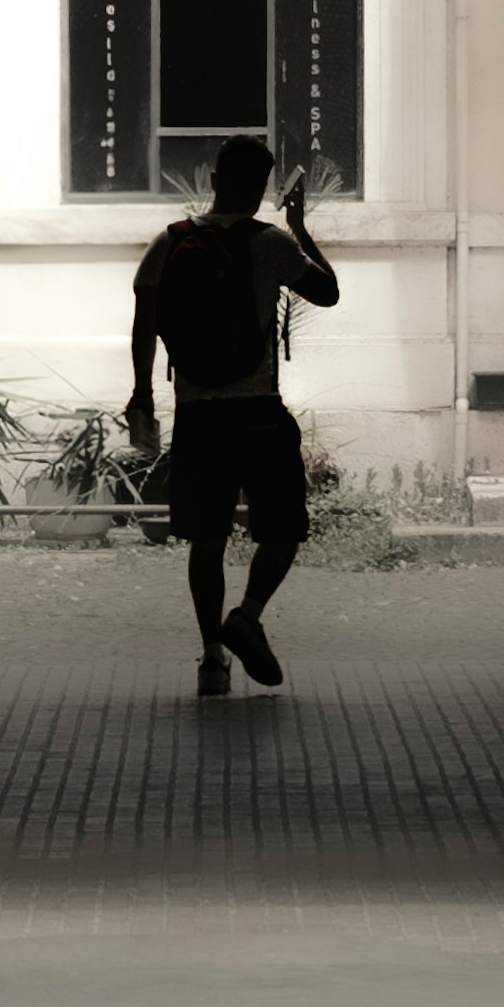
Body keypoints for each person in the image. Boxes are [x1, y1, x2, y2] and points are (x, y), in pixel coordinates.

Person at [125, 132, 339, 695]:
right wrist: (299, 226)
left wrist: (142, 395)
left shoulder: (168, 244)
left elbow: (144, 326)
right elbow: (329, 293)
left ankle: (213, 658)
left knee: (207, 539)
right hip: (259, 414)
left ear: (215, 180)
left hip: (199, 415)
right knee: (285, 527)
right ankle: (247, 614)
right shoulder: (272, 244)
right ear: (264, 189)